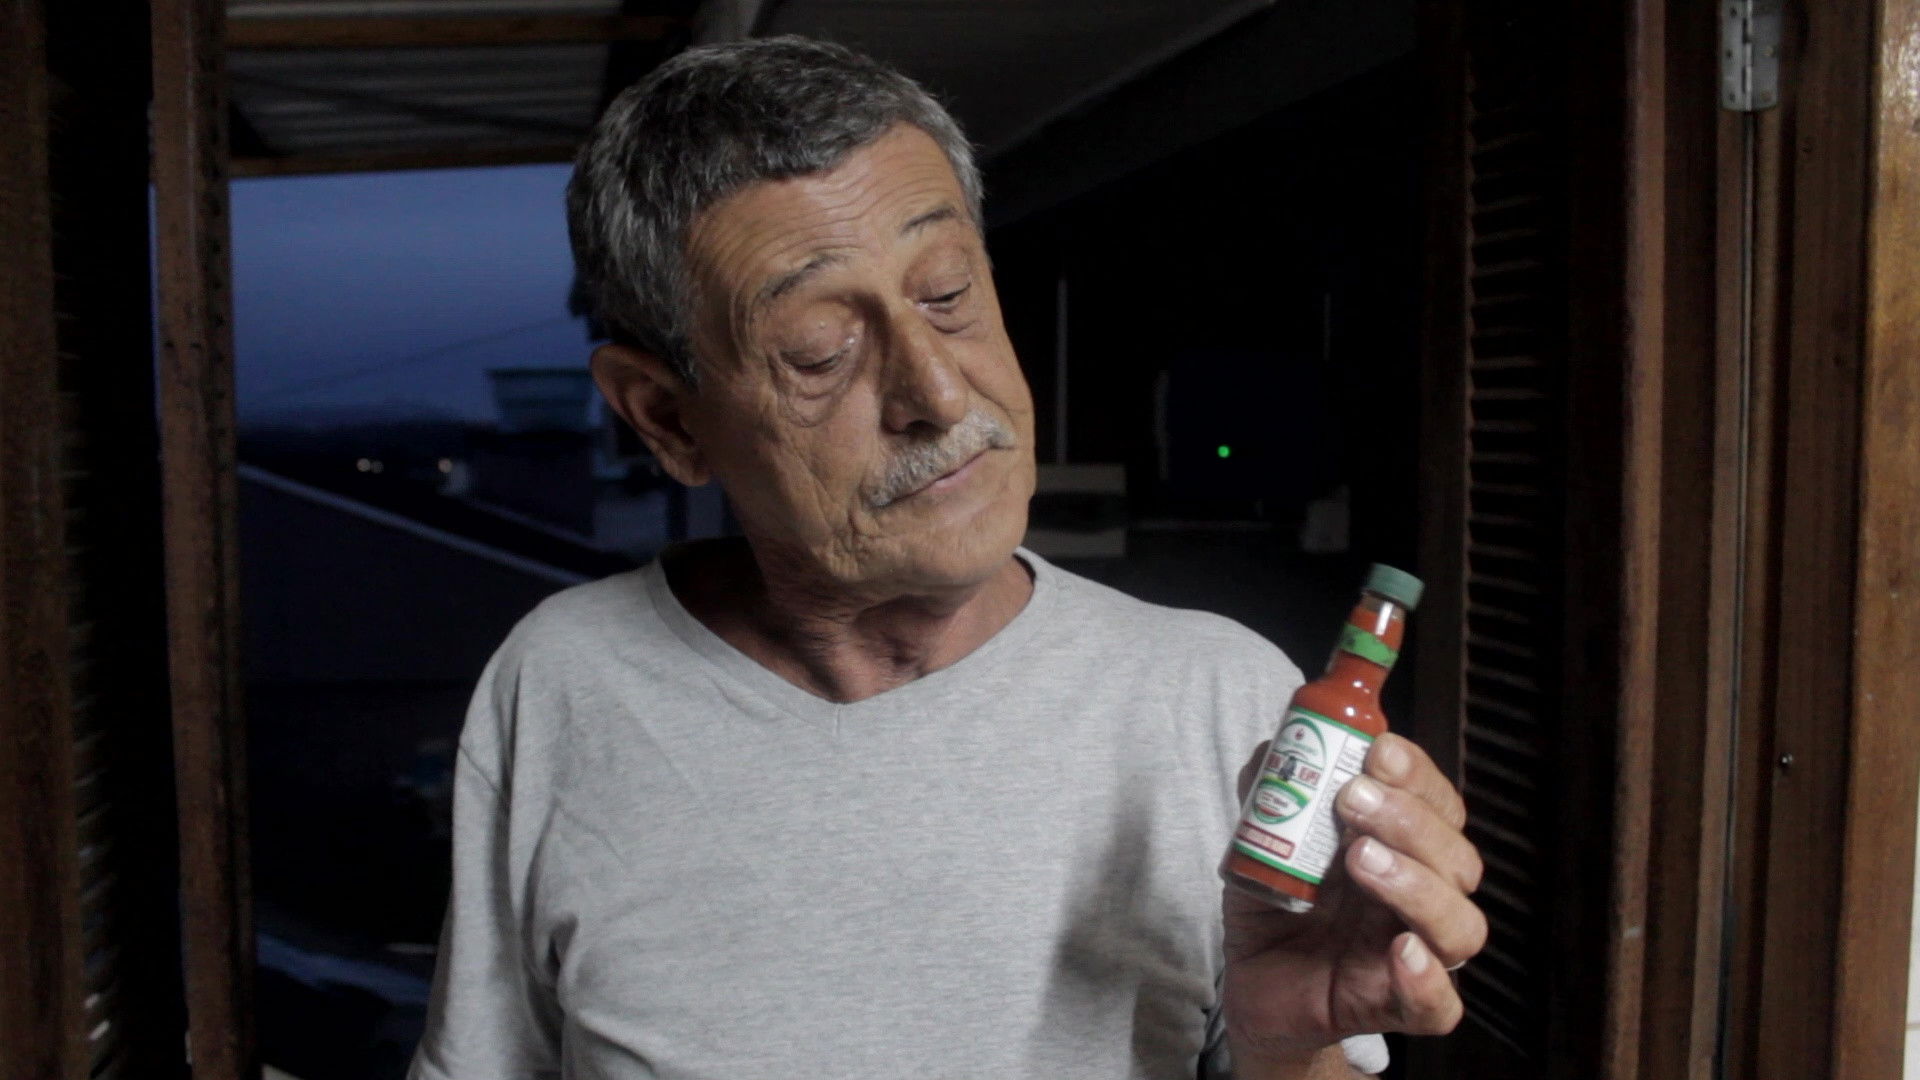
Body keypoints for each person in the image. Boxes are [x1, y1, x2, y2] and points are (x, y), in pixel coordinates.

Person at [409, 36, 1485, 1080]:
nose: (936, 392)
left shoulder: (1222, 700)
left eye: (948, 294)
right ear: (667, 418)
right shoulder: (565, 681)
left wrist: (1289, 1052)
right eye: (820, 352)